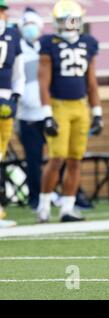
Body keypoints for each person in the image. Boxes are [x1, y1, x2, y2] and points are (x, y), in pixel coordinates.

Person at [37, 0, 103, 223]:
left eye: (72, 19)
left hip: (80, 106)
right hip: (58, 105)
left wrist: (98, 111)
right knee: (56, 159)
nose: (69, 25)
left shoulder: (88, 43)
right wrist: (47, 114)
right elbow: (43, 82)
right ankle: (44, 207)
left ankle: (67, 207)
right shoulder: (49, 43)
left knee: (76, 159)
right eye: (64, 20)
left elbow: (91, 82)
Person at [16, 7, 45, 211]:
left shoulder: (47, 48)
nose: (30, 29)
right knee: (33, 160)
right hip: (27, 115)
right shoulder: (17, 48)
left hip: (49, 112)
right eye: (26, 25)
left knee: (60, 156)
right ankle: (35, 198)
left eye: (32, 24)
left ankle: (65, 196)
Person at [0, 0, 25, 228]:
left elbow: (18, 72)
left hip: (5, 100)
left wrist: (15, 96)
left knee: (0, 153)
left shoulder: (12, 35)